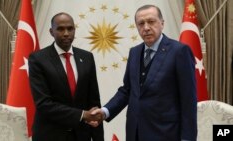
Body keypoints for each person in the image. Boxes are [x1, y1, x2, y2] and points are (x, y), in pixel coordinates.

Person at [91, 4, 197, 141]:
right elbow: (127, 90)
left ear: (162, 23)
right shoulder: (134, 52)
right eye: (141, 23)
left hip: (166, 133)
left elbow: (188, 99)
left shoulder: (179, 52)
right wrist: (105, 111)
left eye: (151, 22)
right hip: (135, 133)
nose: (146, 28)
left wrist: (188, 138)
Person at [28, 12, 104, 141]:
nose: (66, 33)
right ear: (51, 32)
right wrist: (82, 115)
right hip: (50, 135)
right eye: (60, 29)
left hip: (81, 135)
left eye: (70, 28)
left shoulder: (87, 57)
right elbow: (44, 104)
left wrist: (98, 138)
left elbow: (94, 101)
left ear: (74, 30)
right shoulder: (38, 59)